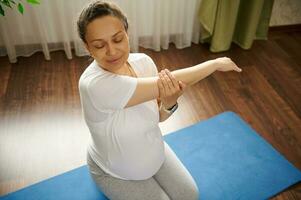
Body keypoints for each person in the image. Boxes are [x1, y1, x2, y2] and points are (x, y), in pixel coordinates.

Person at [77, 1, 242, 200]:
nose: (112, 51)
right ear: (87, 47)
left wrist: (169, 102)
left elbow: (157, 117)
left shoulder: (144, 63)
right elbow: (174, 79)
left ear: (127, 33)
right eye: (99, 45)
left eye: (118, 39)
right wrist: (214, 64)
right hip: (113, 170)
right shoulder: (94, 85)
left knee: (190, 196)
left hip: (152, 150)